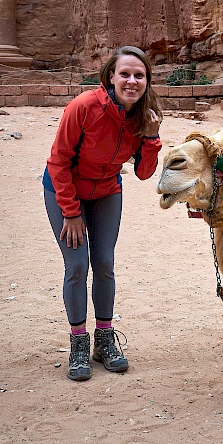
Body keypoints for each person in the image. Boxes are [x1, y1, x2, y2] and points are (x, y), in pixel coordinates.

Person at [43, 46, 163, 381]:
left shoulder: (145, 116)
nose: (132, 81)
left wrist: (152, 138)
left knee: (105, 263)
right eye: (125, 73)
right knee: (78, 265)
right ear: (111, 76)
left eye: (139, 75)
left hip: (107, 191)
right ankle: (79, 343)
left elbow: (142, 173)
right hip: (64, 189)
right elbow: (58, 162)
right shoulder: (84, 107)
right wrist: (70, 212)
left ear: (146, 81)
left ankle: (104, 341)